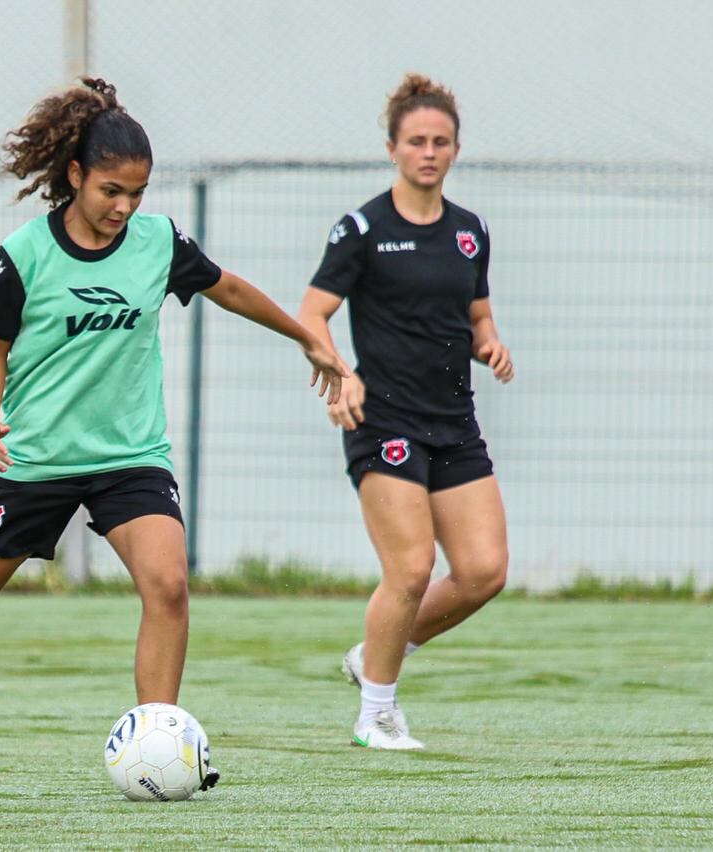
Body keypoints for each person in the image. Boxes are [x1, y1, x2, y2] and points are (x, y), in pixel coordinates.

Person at [0, 77, 350, 798]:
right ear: (75, 175)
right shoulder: (25, 253)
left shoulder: (159, 243)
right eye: (111, 191)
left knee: (168, 586)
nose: (124, 207)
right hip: (36, 458)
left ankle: (160, 745)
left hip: (129, 457)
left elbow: (226, 286)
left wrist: (304, 336)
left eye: (137, 192)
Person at [298, 73, 514, 750]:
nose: (429, 152)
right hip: (385, 421)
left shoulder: (470, 232)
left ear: (456, 150)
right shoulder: (362, 229)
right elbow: (312, 313)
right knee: (412, 568)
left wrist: (490, 343)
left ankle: (376, 653)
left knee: (483, 572)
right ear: (392, 148)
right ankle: (377, 713)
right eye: (416, 141)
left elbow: (477, 315)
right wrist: (341, 375)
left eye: (440, 142)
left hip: (454, 421)